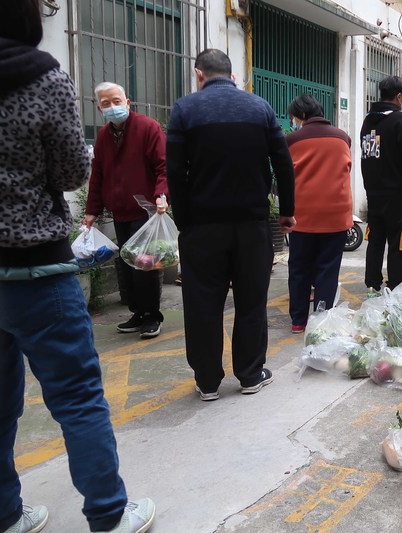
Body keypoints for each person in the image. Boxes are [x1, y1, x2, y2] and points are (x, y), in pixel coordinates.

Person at [0, 2, 155, 532]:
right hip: (36, 267)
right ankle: (108, 515)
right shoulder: (40, 76)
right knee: (79, 399)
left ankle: (3, 514)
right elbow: (68, 169)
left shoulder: (148, 129)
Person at [166, 49, 295, 401]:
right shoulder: (260, 108)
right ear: (232, 76)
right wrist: (286, 212)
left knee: (203, 303)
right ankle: (251, 375)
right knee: (251, 300)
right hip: (253, 225)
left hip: (203, 228)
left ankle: (207, 382)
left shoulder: (184, 109)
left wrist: (184, 222)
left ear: (199, 74)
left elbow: (175, 172)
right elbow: (283, 164)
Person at [83, 82, 168, 339]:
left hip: (146, 212)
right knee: (128, 266)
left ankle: (152, 315)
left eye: (117, 101)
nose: (113, 107)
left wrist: (161, 195)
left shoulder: (147, 127)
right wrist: (91, 211)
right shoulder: (103, 137)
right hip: (119, 211)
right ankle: (138, 313)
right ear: (99, 108)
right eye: (106, 103)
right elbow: (97, 176)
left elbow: (163, 166)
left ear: (128, 102)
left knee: (146, 266)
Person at [286, 94, 352, 333]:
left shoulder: (291, 140)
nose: (292, 121)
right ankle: (323, 320)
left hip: (303, 215)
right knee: (328, 268)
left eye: (293, 116)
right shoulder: (343, 137)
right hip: (337, 213)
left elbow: (285, 177)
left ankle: (298, 321)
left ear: (301, 115)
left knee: (300, 268)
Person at [360, 76, 402, 292]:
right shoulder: (401, 119)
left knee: (376, 239)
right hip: (399, 194)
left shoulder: (368, 120)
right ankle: (395, 286)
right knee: (400, 240)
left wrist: (369, 187)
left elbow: (367, 155)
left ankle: (372, 284)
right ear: (398, 96)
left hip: (374, 192)